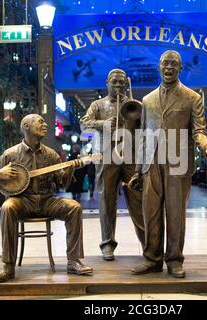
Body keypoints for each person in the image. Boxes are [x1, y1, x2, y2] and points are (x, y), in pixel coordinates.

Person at [130, 50, 207, 278]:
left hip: (177, 162)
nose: (169, 67)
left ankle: (174, 260)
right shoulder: (147, 100)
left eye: (174, 64)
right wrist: (138, 170)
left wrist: (205, 145)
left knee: (175, 214)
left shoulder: (191, 98)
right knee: (150, 213)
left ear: (180, 68)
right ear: (159, 66)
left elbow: (199, 130)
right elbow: (143, 136)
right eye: (165, 63)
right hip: (151, 163)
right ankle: (152, 259)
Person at [0, 114, 93, 283]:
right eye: (40, 122)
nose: (45, 125)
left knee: (74, 207)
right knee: (7, 207)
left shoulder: (51, 155)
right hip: (22, 201)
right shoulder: (10, 154)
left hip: (47, 200)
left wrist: (70, 169)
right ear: (26, 125)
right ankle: (8, 266)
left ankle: (73, 261)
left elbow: (62, 184)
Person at [80, 69, 145, 260]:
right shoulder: (97, 105)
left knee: (138, 199)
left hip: (130, 157)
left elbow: (146, 128)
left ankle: (147, 242)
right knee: (106, 199)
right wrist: (103, 123)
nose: (118, 86)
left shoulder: (135, 104)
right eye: (114, 82)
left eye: (121, 82)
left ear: (126, 84)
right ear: (107, 83)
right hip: (107, 158)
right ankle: (107, 243)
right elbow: (84, 126)